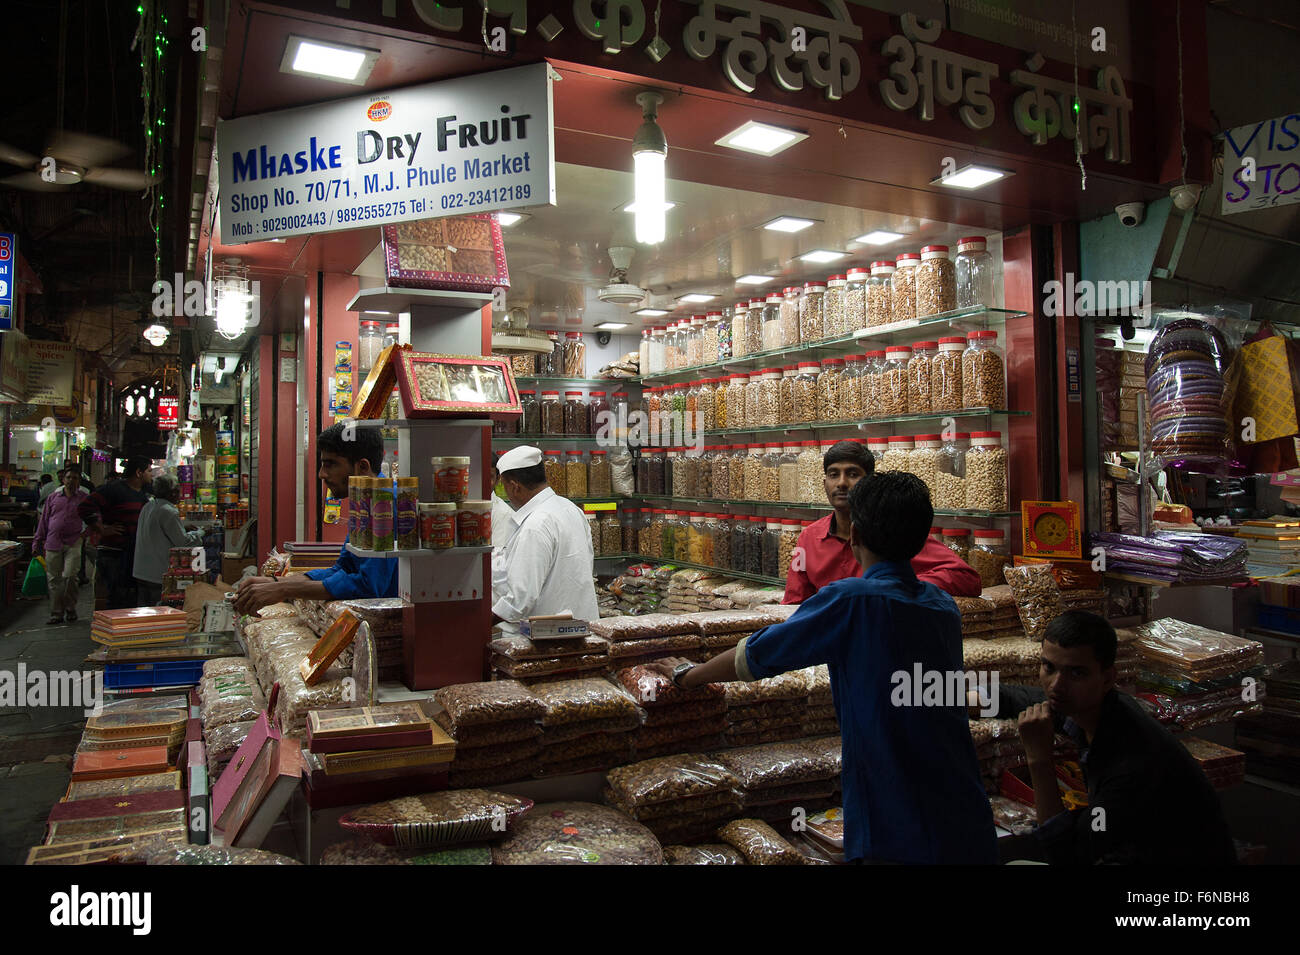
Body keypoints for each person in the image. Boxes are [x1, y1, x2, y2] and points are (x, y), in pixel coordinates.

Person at [654, 472, 997, 864]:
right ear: (924, 541)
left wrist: (688, 674)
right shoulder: (941, 605)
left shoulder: (851, 600)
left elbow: (758, 655)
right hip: (964, 806)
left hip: (895, 811)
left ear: (854, 538)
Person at [986, 611, 1236, 865]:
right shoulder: (1093, 707)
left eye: (1076, 673)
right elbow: (1018, 698)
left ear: (1107, 678)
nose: (1056, 685)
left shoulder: (1132, 763)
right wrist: (952, 695)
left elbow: (1066, 855)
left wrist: (1039, 760)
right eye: (1048, 667)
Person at [783, 440, 981, 602]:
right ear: (824, 483)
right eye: (834, 474)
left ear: (870, 481)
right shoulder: (808, 538)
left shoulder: (891, 529)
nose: (842, 483)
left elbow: (967, 579)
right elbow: (795, 601)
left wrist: (896, 586)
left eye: (852, 474)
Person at [233, 423, 397, 613]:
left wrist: (283, 589)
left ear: (362, 467)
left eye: (330, 464)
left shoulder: (385, 504)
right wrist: (275, 582)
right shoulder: (364, 503)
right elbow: (343, 569)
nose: (322, 474)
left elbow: (368, 586)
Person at [491, 445, 599, 634]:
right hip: (581, 629)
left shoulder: (535, 525)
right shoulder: (571, 509)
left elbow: (519, 600)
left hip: (550, 637)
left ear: (515, 486)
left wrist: (483, 622)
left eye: (504, 486)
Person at [79, 455, 152, 609]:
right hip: (114, 553)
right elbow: (84, 507)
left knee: (129, 596)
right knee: (117, 596)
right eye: (149, 471)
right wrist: (102, 529)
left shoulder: (142, 493)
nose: (151, 475)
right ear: (139, 473)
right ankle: (114, 629)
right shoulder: (114, 489)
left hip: (131, 552)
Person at [133, 474, 205, 606]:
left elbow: (157, 531)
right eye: (178, 490)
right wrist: (201, 533)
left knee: (144, 611)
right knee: (158, 612)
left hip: (142, 570)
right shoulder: (168, 511)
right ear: (172, 493)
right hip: (157, 573)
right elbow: (183, 542)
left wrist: (183, 527)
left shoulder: (149, 506)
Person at [32, 465, 89, 624]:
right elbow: (44, 521)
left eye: (75, 478)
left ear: (79, 481)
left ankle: (70, 607)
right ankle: (56, 613)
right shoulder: (53, 498)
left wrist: (86, 534)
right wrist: (37, 540)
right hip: (53, 541)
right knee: (54, 580)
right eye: (68, 477)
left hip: (73, 542)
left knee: (70, 576)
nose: (71, 481)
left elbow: (94, 517)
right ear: (63, 480)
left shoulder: (84, 499)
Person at [489, 452, 514, 550]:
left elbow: (496, 558)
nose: (483, 481)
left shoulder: (504, 514)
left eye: (489, 477)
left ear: (498, 479)